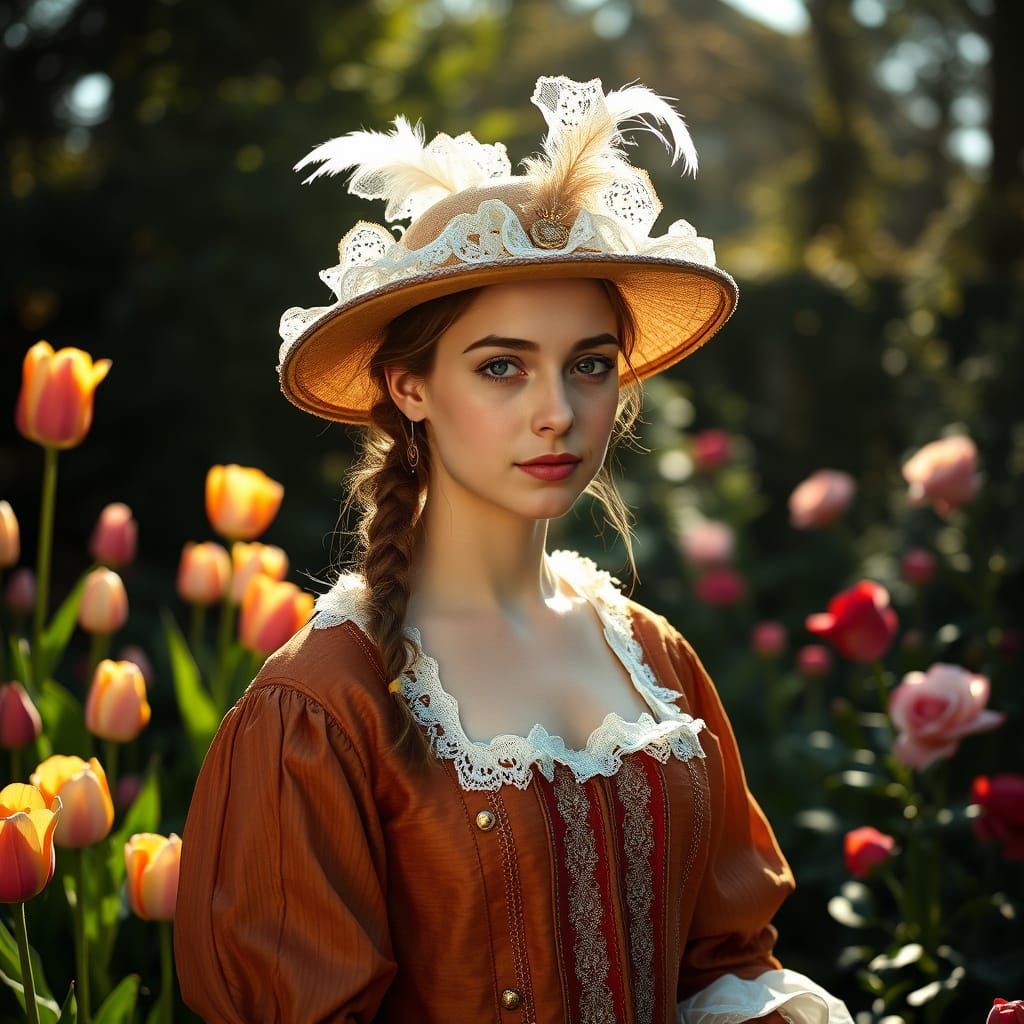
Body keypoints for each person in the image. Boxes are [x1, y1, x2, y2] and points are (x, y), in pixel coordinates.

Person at [174, 75, 854, 1023]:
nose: (557, 412)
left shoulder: (654, 662)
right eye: (502, 366)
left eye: (589, 364)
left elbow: (723, 964)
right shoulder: (322, 706)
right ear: (408, 387)